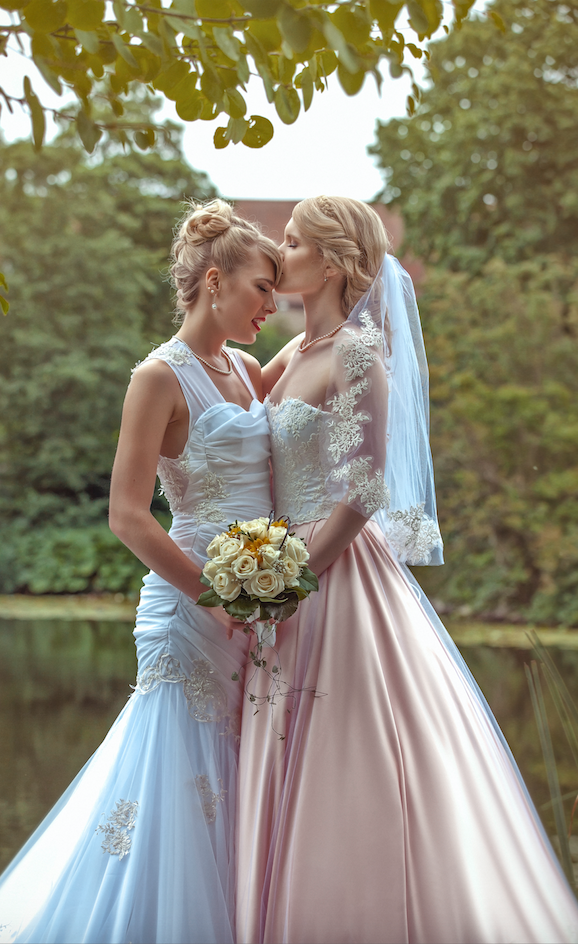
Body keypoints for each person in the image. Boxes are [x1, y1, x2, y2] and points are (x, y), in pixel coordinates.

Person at [235, 195, 578, 944]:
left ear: (328, 260)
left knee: (345, 753)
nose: (277, 251)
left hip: (332, 574)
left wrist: (293, 580)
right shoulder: (290, 355)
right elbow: (233, 423)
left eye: (290, 242)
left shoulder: (360, 354)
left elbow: (362, 492)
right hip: (276, 569)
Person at [0, 199, 281, 944]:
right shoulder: (156, 377)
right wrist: (213, 595)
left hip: (255, 613)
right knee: (170, 793)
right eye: (262, 286)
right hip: (190, 611)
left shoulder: (250, 369)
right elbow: (128, 516)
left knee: (235, 791)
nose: (272, 302)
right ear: (212, 281)